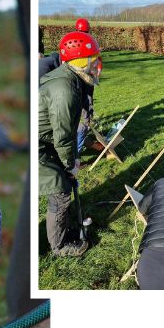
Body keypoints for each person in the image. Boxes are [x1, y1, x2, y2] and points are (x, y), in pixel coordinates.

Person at [39, 31, 101, 257]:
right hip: (37, 147)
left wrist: (72, 159)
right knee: (61, 192)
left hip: (46, 143)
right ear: (82, 63)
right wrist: (69, 164)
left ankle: (63, 230)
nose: (97, 66)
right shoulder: (65, 90)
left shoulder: (72, 80)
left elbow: (70, 129)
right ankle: (60, 246)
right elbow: (63, 135)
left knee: (63, 184)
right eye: (94, 61)